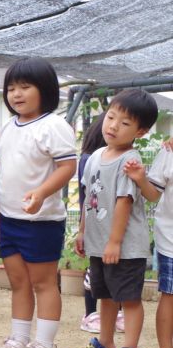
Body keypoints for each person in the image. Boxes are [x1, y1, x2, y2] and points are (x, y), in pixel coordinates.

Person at [0, 58, 77, 348]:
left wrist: (41, 193)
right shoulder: (8, 127)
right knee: (18, 282)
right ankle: (19, 338)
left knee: (43, 283)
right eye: (11, 88)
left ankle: (45, 346)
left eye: (25, 87)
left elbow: (68, 167)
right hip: (11, 218)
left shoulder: (54, 126)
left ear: (46, 90)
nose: (16, 94)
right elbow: (1, 169)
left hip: (42, 221)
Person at [68, 89, 158, 348]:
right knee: (104, 295)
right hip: (99, 243)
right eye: (111, 117)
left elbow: (123, 203)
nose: (113, 126)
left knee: (129, 298)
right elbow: (87, 199)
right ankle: (105, 343)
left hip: (124, 246)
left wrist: (115, 242)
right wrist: (82, 232)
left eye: (124, 123)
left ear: (140, 131)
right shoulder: (95, 156)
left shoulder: (129, 161)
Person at [126, 138, 173, 348]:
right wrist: (141, 179)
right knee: (170, 292)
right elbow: (154, 194)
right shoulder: (168, 151)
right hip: (172, 238)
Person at [76, 116, 107, 333]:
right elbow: (85, 195)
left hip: (113, 221)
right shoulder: (88, 159)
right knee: (95, 268)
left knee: (114, 268)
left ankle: (113, 313)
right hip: (95, 219)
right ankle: (90, 313)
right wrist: (82, 228)